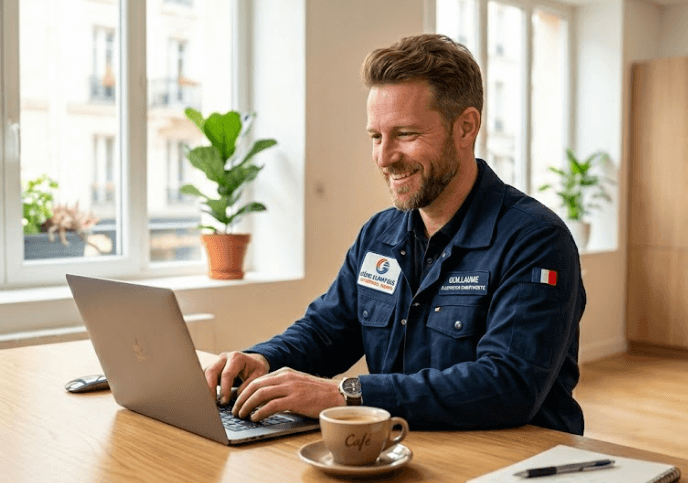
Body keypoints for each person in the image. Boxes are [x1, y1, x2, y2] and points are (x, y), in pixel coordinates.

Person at [204, 33, 586, 435]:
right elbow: (327, 331)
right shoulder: (379, 234)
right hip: (401, 452)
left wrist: (346, 395)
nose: (384, 158)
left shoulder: (536, 240)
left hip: (511, 466)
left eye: (405, 134)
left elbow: (507, 385)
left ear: (466, 127)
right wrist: (261, 360)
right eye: (375, 137)